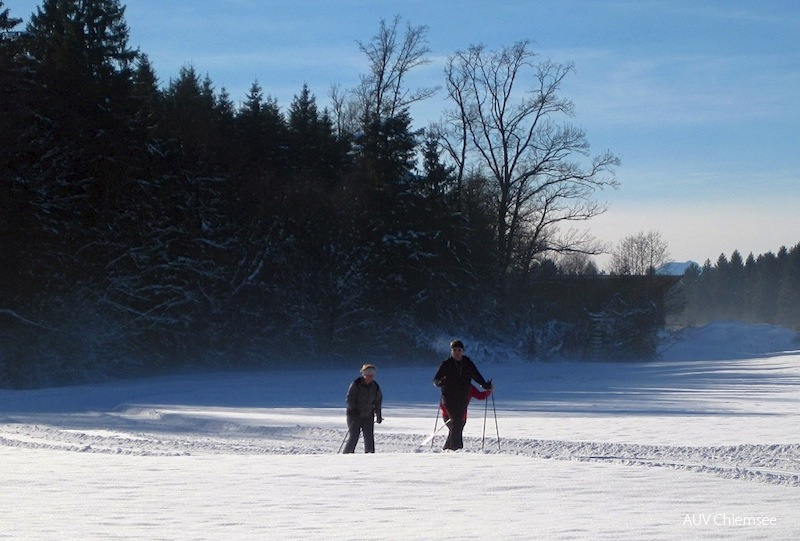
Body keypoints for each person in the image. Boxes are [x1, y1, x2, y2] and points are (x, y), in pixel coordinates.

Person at [433, 340, 492, 450]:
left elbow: (476, 376)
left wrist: (485, 385)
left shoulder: (468, 363)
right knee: (456, 421)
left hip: (462, 398)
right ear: (451, 351)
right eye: (454, 350)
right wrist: (440, 383)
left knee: (458, 424)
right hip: (449, 398)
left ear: (463, 351)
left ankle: (448, 449)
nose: (457, 352)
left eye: (459, 350)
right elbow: (436, 380)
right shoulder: (446, 364)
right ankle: (457, 450)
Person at [342, 363, 383, 454]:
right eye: (368, 374)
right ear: (364, 374)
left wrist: (378, 415)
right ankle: (346, 455)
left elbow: (377, 401)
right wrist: (353, 409)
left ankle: (370, 456)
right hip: (354, 415)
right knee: (354, 436)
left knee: (369, 437)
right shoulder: (356, 384)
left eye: (372, 374)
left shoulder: (375, 386)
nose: (370, 376)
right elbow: (350, 398)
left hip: (368, 415)